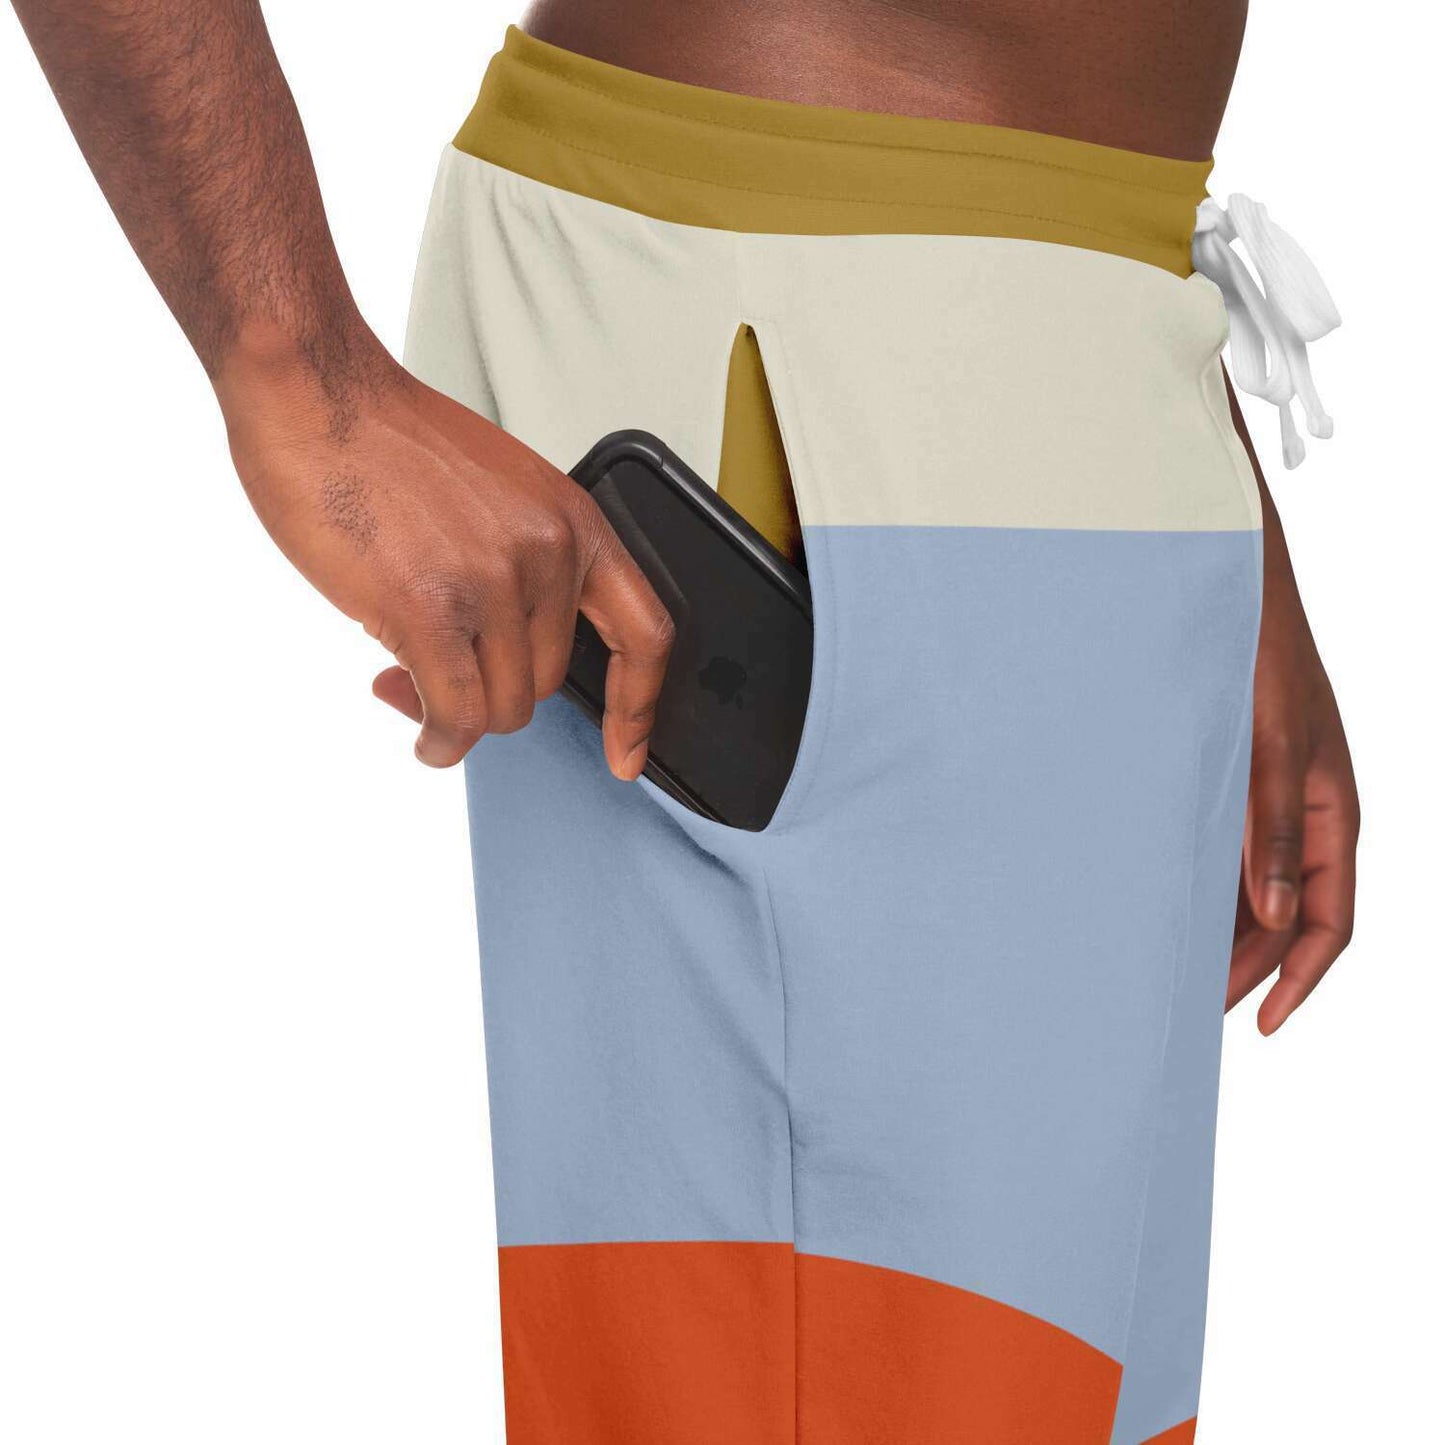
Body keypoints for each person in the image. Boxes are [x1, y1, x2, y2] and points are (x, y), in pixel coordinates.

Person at [11, 1, 1359, 1439]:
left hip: (1092, 344)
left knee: (1045, 1389)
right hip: (787, 338)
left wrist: (1209, 499)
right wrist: (297, 369)